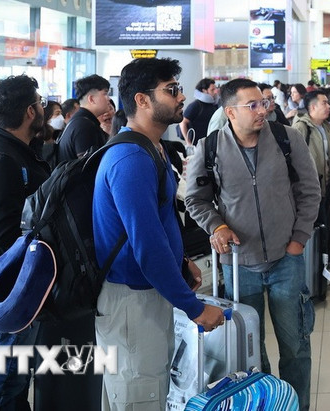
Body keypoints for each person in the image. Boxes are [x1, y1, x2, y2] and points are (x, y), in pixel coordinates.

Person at [92, 58, 224, 410]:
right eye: (171, 90)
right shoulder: (130, 159)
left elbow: (158, 221)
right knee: (140, 394)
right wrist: (194, 308)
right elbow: (147, 246)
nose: (181, 97)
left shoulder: (151, 148)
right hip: (131, 300)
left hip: (147, 293)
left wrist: (180, 262)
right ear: (142, 100)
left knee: (145, 389)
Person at [184, 78, 320, 411]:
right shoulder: (210, 148)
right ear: (230, 112)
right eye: (253, 105)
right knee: (250, 351)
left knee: (295, 345)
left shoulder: (287, 139)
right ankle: (267, 404)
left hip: (286, 259)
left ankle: (297, 406)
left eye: (264, 103)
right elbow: (195, 199)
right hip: (239, 264)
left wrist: (298, 239)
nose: (263, 110)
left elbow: (309, 191)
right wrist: (217, 225)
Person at [0, 75, 51, 410]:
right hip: (11, 290)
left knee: (16, 379)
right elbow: (4, 239)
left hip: (23, 286)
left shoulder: (17, 153)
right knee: (5, 379)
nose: (44, 108)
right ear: (31, 111)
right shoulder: (0, 161)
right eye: (40, 102)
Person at [292, 89, 330, 223]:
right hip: (309, 190)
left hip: (326, 187)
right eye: (324, 103)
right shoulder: (301, 128)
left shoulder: (328, 129)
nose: (329, 106)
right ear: (313, 107)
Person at [57, 74, 112, 163]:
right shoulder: (84, 126)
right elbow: (89, 166)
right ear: (91, 99)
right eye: (105, 94)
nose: (109, 99)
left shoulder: (81, 121)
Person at [180, 78, 219, 145]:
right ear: (204, 91)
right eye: (212, 90)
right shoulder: (196, 105)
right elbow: (183, 123)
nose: (215, 92)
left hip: (210, 143)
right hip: (197, 144)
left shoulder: (214, 105)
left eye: (215, 89)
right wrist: (188, 142)